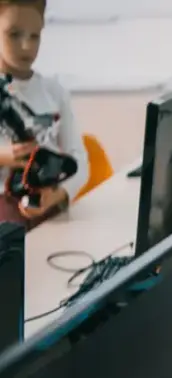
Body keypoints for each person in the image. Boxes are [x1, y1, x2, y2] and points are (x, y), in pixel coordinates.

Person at [0, 0, 88, 227]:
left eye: (34, 36)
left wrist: (57, 195)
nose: (27, 46)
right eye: (14, 34)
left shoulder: (54, 93)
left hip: (50, 215)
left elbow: (78, 159)